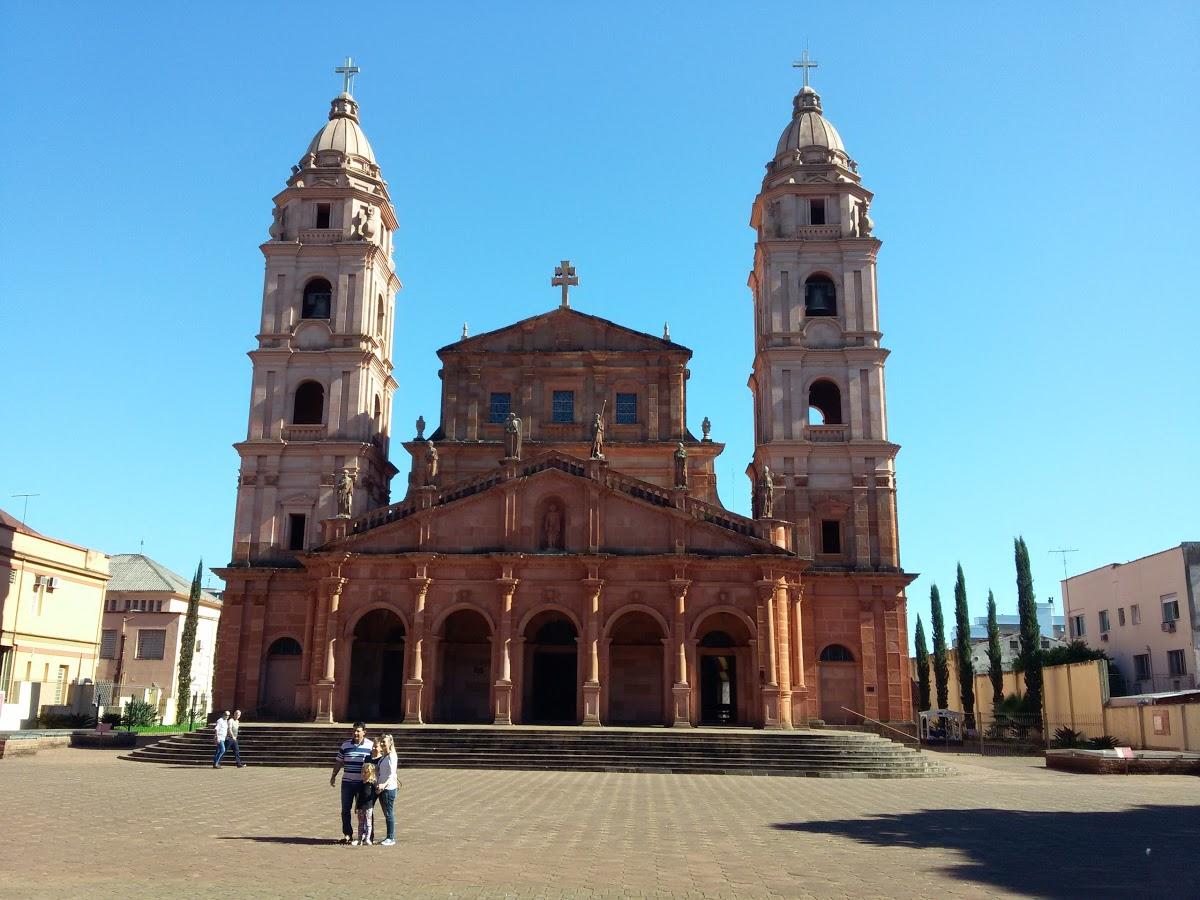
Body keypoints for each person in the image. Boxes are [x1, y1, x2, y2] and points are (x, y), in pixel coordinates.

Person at [330, 722, 374, 844]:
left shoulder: (371, 746)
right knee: (345, 809)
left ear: (364, 732)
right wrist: (334, 775)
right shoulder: (345, 745)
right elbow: (339, 761)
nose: (355, 733)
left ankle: (367, 835)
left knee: (365, 810)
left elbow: (375, 764)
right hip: (347, 782)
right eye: (354, 730)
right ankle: (348, 834)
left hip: (362, 784)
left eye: (358, 731)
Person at [374, 733, 399, 846]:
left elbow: (392, 774)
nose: (383, 743)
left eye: (384, 741)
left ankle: (391, 838)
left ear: (390, 743)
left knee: (389, 813)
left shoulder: (392, 756)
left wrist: (384, 785)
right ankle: (389, 836)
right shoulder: (384, 756)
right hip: (381, 788)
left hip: (388, 788)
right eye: (382, 741)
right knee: (386, 813)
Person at [354, 762, 378, 846]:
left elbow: (377, 792)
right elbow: (357, 796)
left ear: (371, 773)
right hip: (360, 806)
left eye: (366, 772)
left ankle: (367, 839)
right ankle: (360, 839)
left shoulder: (372, 783)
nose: (363, 774)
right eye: (362, 772)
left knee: (368, 823)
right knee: (360, 824)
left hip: (368, 807)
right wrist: (356, 806)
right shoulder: (360, 783)